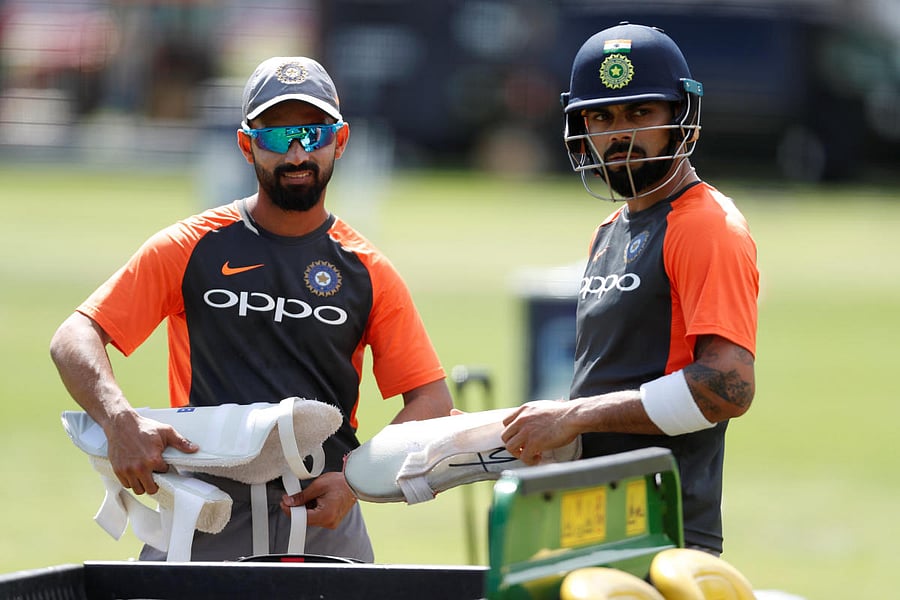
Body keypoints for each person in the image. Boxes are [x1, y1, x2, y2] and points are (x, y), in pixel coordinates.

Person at [49, 56, 454, 562]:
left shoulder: (369, 270)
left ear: (341, 140)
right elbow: (75, 334)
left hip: (321, 517)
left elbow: (431, 401)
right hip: (203, 511)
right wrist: (119, 421)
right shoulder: (190, 246)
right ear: (246, 145)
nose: (297, 153)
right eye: (275, 137)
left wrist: (353, 480)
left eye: (313, 133)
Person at [500, 23, 759, 556]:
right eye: (602, 117)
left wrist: (572, 417)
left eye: (641, 113)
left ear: (680, 118)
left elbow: (728, 387)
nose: (620, 135)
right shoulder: (610, 231)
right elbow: (608, 385)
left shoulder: (706, 224)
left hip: (664, 532)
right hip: (590, 520)